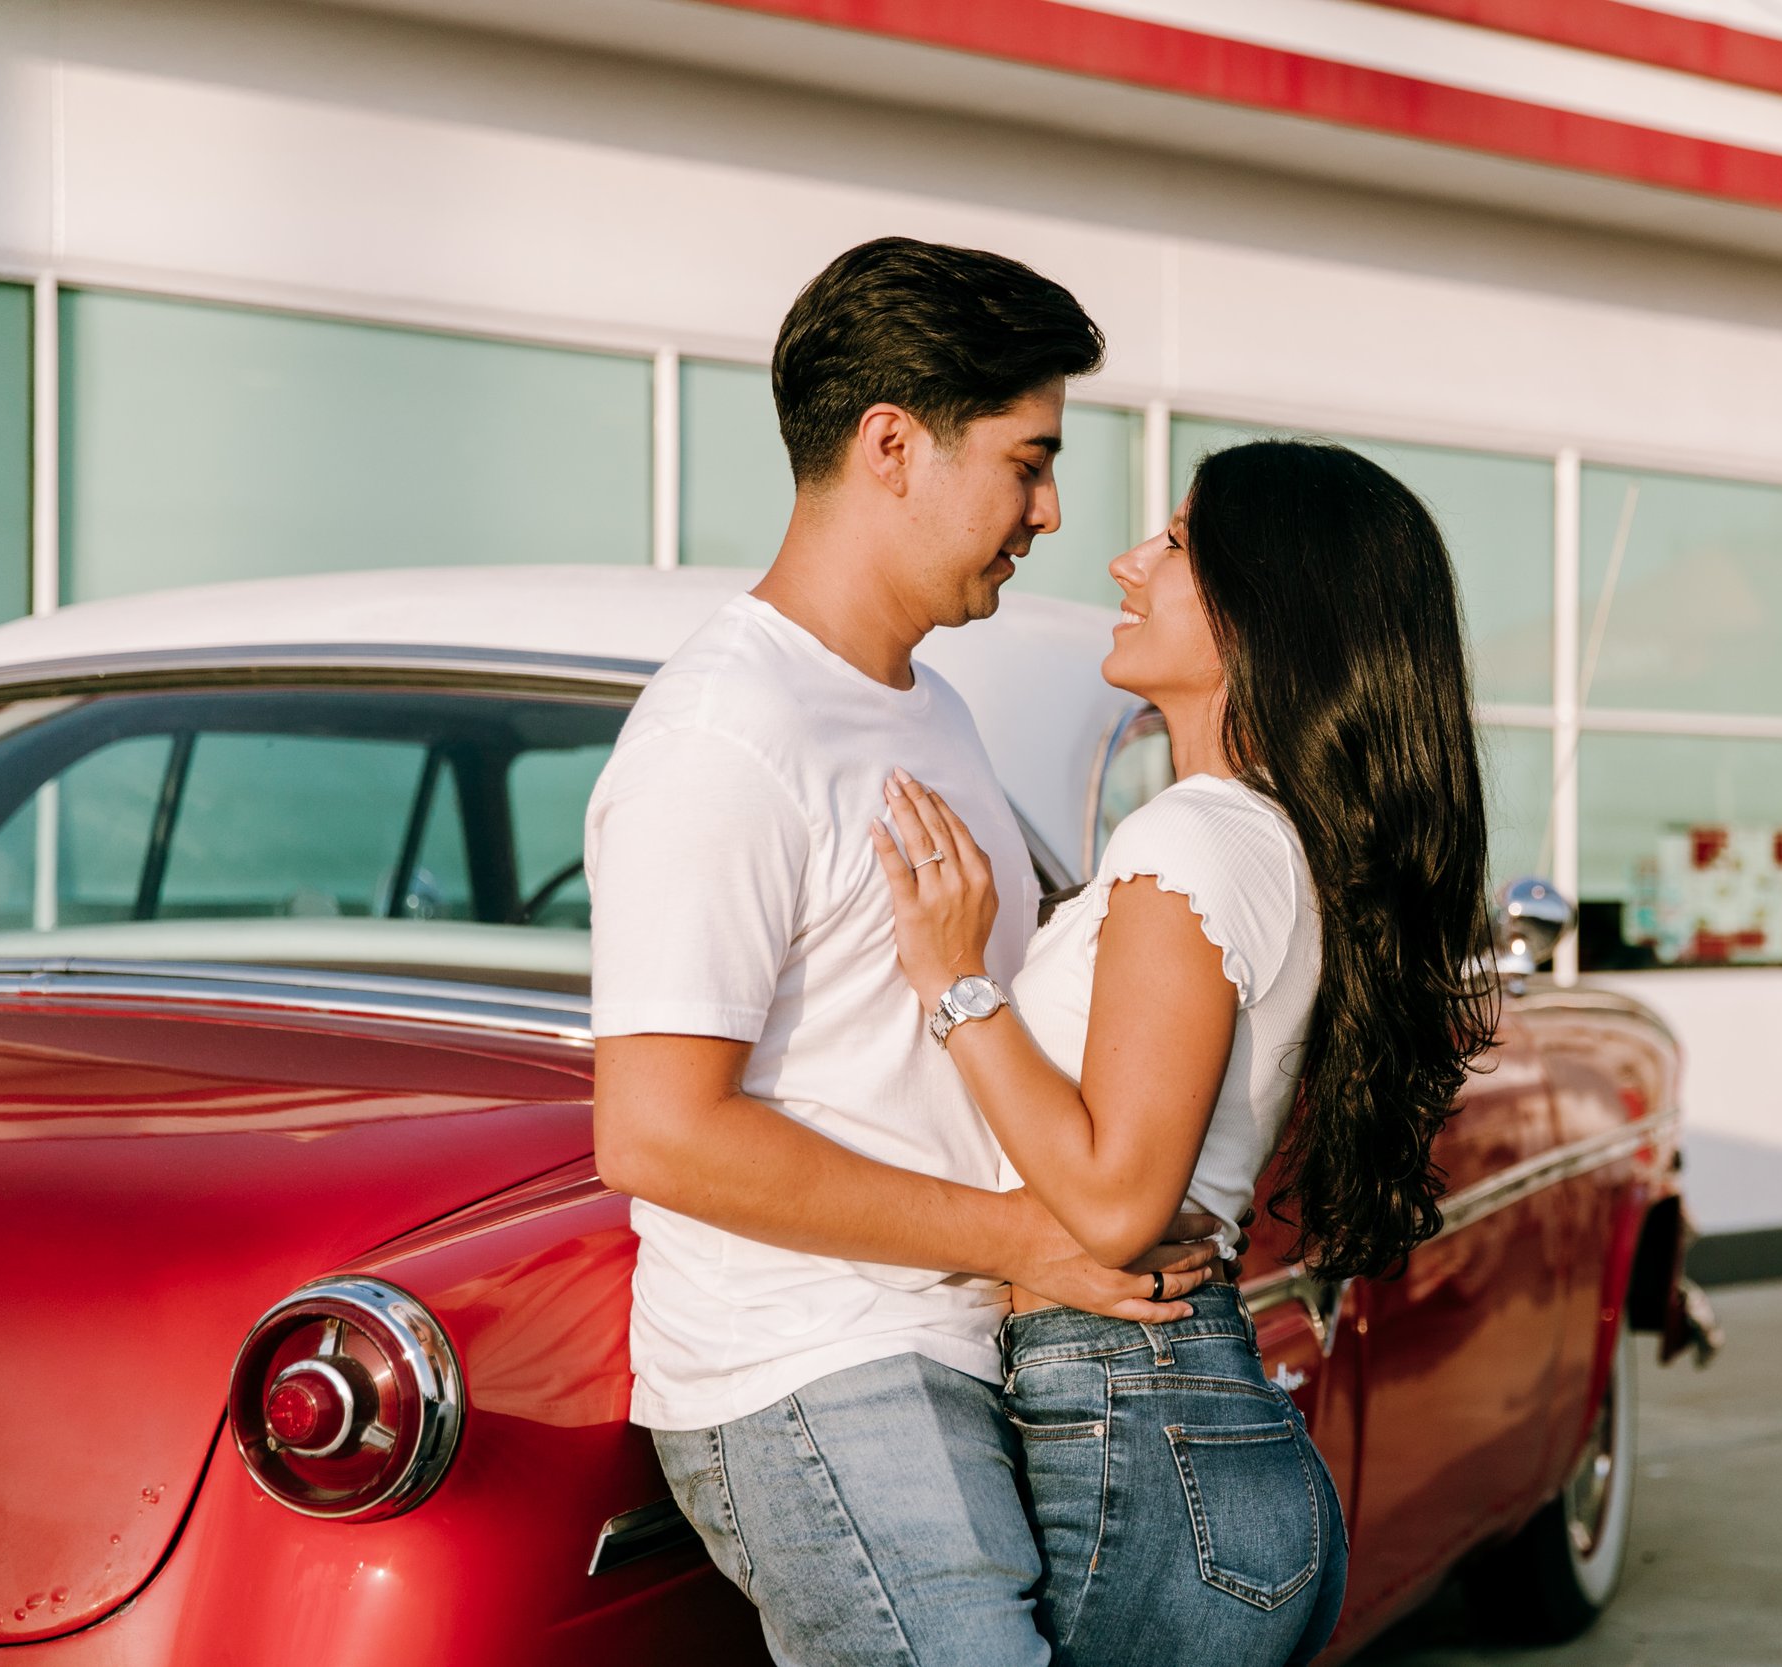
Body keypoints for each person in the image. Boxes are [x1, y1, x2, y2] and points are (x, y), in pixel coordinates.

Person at [587, 236, 1220, 1667]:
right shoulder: (723, 736)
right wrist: (1022, 1236)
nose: (1052, 510)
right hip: (814, 1368)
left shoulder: (923, 702)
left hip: (944, 1346)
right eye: (1026, 459)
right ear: (891, 443)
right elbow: (658, 1133)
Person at [871, 438, 1499, 1667]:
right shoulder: (1267, 835)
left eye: (1175, 541)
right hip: (1186, 1429)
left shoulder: (1195, 839)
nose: (1127, 559)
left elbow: (1114, 1200)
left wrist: (956, 984)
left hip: (1130, 1425)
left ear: (1269, 604)